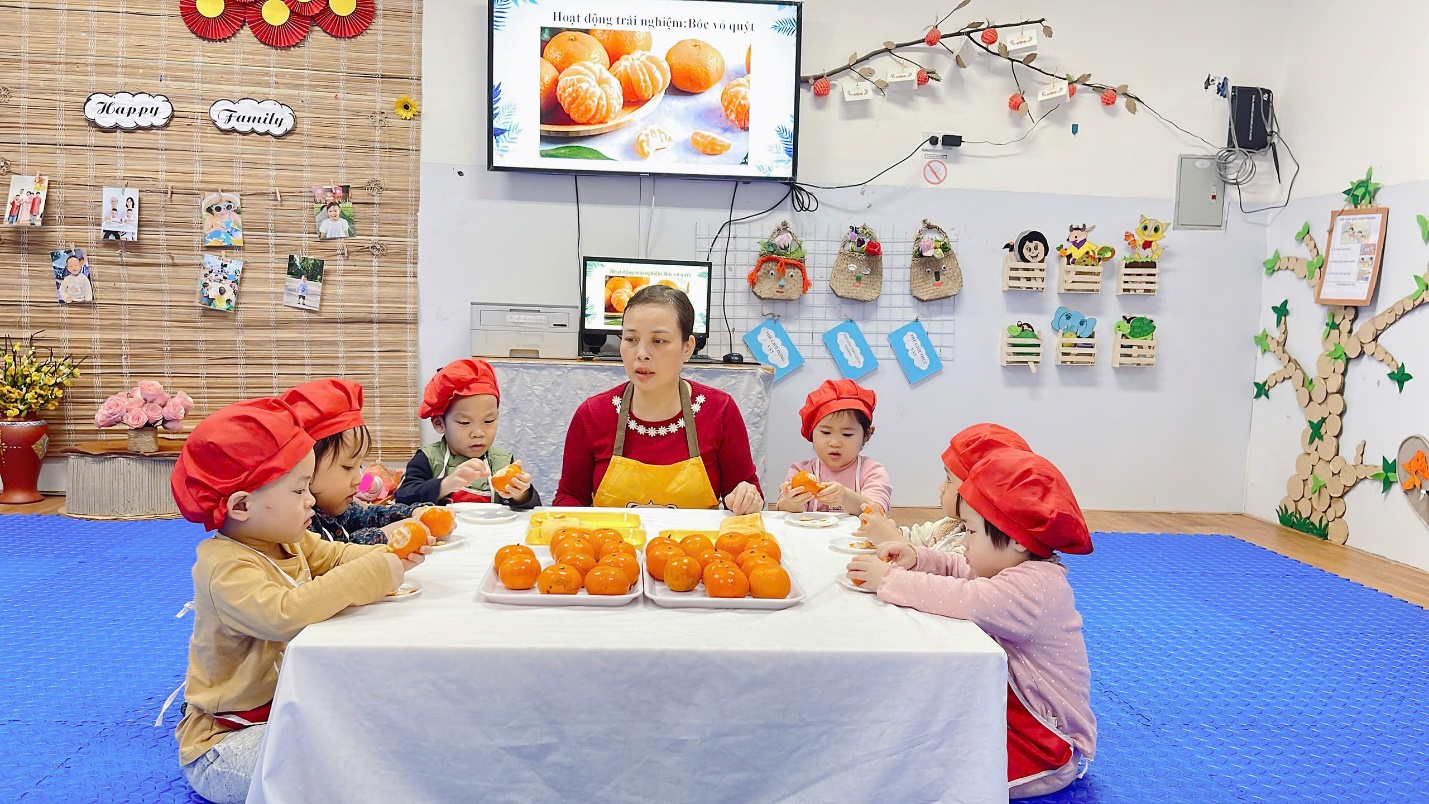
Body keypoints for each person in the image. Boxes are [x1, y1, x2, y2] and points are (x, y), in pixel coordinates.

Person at [169, 397, 429, 804]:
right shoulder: (224, 567)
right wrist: (370, 575)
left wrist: (391, 556)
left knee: (374, 736)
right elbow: (283, 614)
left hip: (284, 715)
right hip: (225, 746)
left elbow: (336, 556)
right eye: (298, 490)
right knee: (344, 762)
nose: (311, 499)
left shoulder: (285, 539)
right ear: (241, 505)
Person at [846, 449, 1096, 799]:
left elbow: (965, 597)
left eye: (972, 532)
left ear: (1017, 541)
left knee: (945, 779)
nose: (963, 541)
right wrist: (918, 558)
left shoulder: (1036, 586)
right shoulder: (1016, 568)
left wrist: (890, 579)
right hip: (1011, 718)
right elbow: (963, 570)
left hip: (1047, 743)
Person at [554, 285, 763, 512]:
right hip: (614, 546)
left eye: (658, 341)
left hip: (695, 546)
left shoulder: (719, 410)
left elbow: (745, 491)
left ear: (687, 347)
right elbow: (570, 497)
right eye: (631, 339)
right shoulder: (593, 414)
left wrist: (747, 498)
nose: (641, 353)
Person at [280, 379, 432, 544]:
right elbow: (331, 557)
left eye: (358, 466)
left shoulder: (336, 506)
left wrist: (415, 512)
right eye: (347, 467)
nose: (359, 479)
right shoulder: (296, 522)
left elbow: (369, 516)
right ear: (305, 465)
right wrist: (385, 534)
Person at [857, 423, 1031, 548]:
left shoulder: (981, 544)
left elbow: (940, 571)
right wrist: (884, 530)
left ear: (980, 494)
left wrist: (891, 538)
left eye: (949, 480)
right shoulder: (949, 525)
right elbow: (917, 537)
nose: (941, 487)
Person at [396, 358, 539, 507]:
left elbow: (532, 510)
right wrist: (446, 484)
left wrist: (521, 494)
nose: (478, 433)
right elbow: (403, 496)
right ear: (439, 423)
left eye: (489, 421)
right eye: (465, 423)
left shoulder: (501, 462)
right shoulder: (428, 459)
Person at [775, 379, 890, 514]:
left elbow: (878, 511)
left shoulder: (872, 471)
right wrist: (792, 502)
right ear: (811, 433)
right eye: (826, 432)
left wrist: (845, 497)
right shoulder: (800, 471)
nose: (834, 443)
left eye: (847, 434)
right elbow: (782, 509)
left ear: (866, 434)